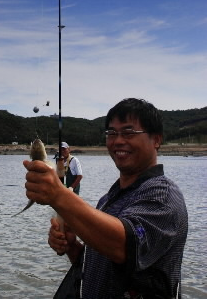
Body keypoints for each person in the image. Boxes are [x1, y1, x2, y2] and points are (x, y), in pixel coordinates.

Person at [23, 98, 188, 299]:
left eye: (128, 133)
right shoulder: (108, 199)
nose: (118, 140)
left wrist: (59, 195)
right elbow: (98, 262)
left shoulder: (164, 196)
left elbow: (124, 247)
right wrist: (72, 246)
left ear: (156, 140)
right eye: (111, 133)